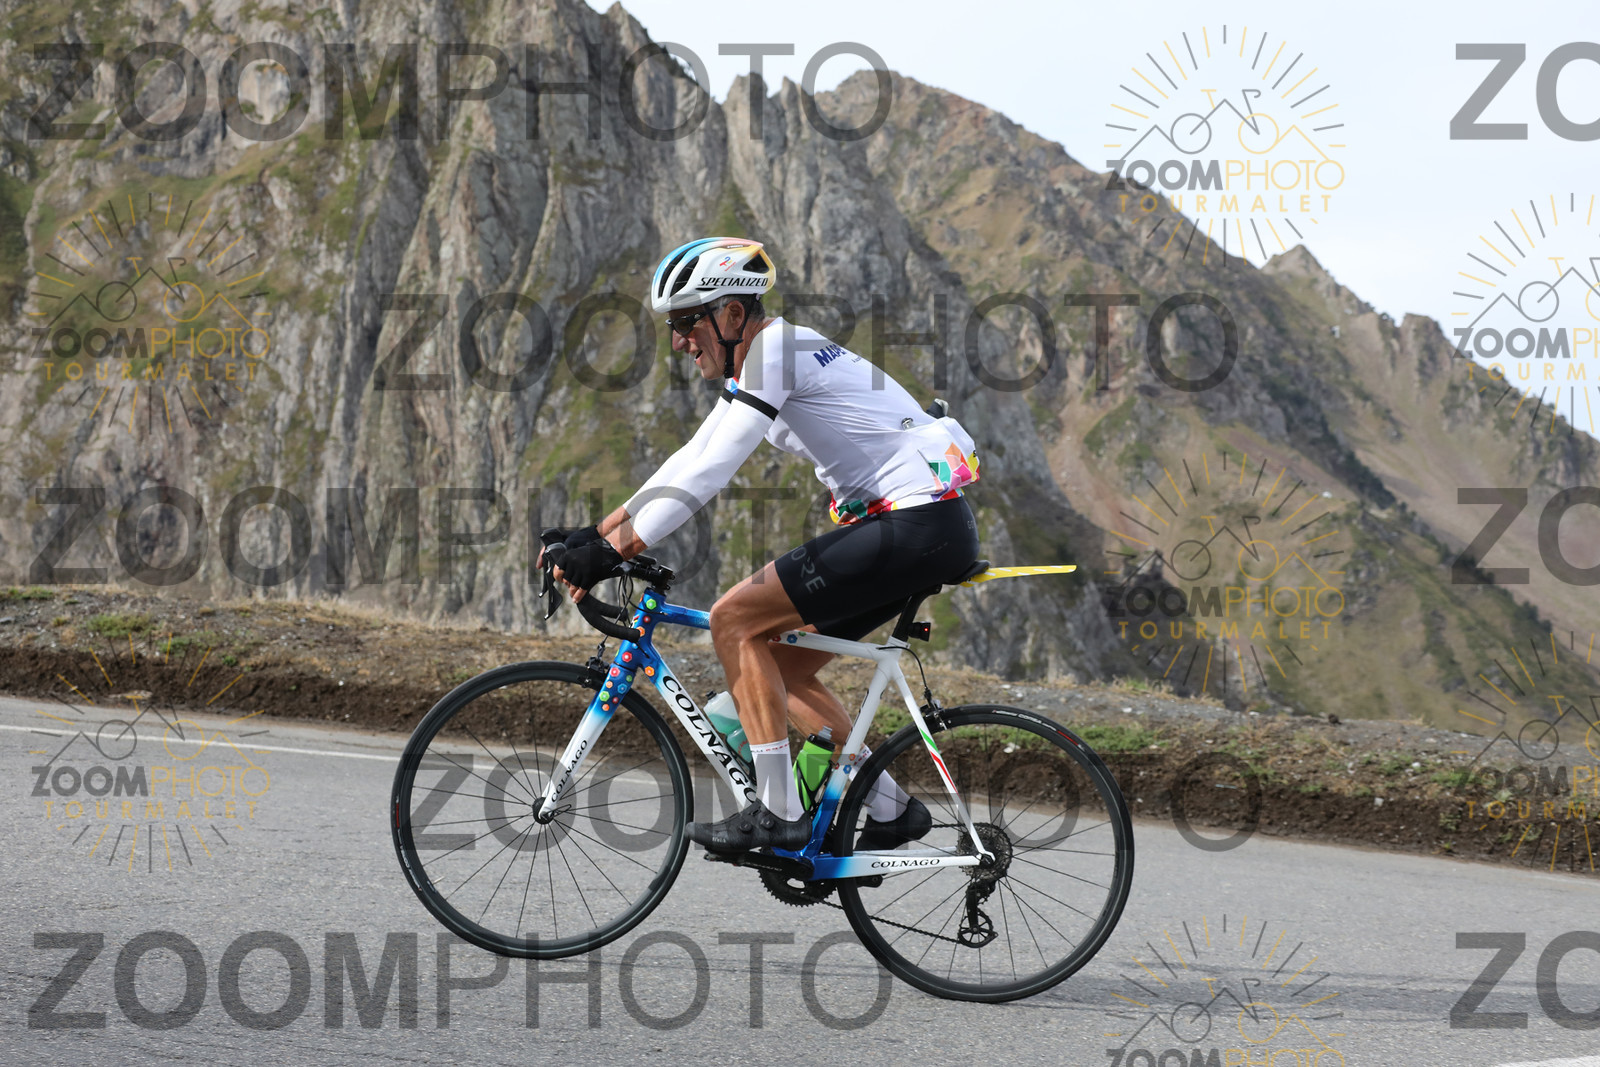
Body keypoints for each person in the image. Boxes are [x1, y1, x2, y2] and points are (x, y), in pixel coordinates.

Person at [544, 237, 981, 853]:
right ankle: (890, 808)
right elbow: (691, 455)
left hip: (915, 525)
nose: (679, 341)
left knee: (734, 619)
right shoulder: (772, 354)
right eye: (673, 327)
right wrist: (597, 534)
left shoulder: (775, 351)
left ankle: (778, 812)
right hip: (923, 526)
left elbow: (710, 471)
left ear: (731, 314)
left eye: (686, 322)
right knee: (773, 662)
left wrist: (613, 552)